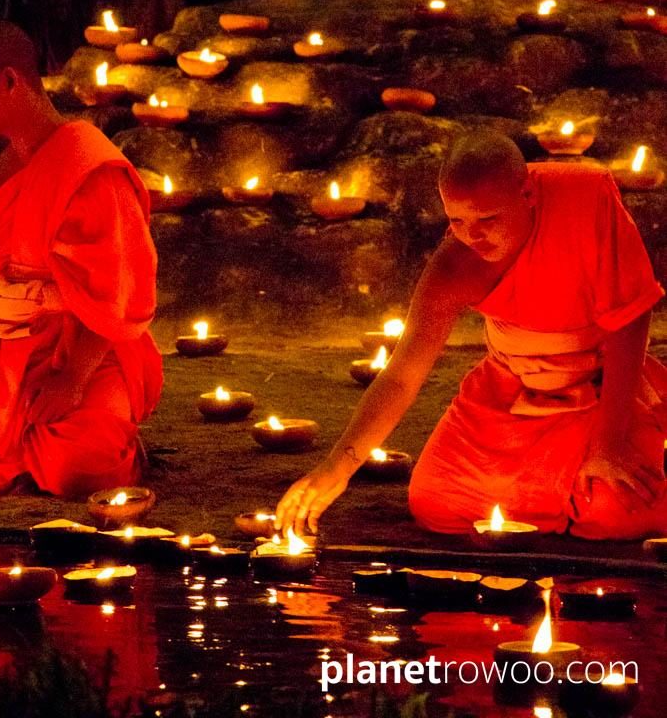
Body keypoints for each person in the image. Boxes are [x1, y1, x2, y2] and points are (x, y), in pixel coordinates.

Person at [276, 132, 667, 540]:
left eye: (488, 219)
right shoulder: (455, 264)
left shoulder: (584, 198)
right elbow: (401, 375)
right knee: (435, 501)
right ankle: (563, 496)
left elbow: (630, 318)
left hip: (601, 388)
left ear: (528, 195)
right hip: (512, 392)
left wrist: (610, 443)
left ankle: (586, 478)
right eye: (457, 220)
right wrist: (336, 469)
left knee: (616, 513)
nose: (471, 236)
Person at [0, 21, 162, 497]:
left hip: (89, 350)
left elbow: (121, 292)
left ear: (8, 81)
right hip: (14, 347)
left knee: (79, 470)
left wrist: (72, 379)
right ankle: (23, 446)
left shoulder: (88, 165)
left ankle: (107, 434)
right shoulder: (8, 164)